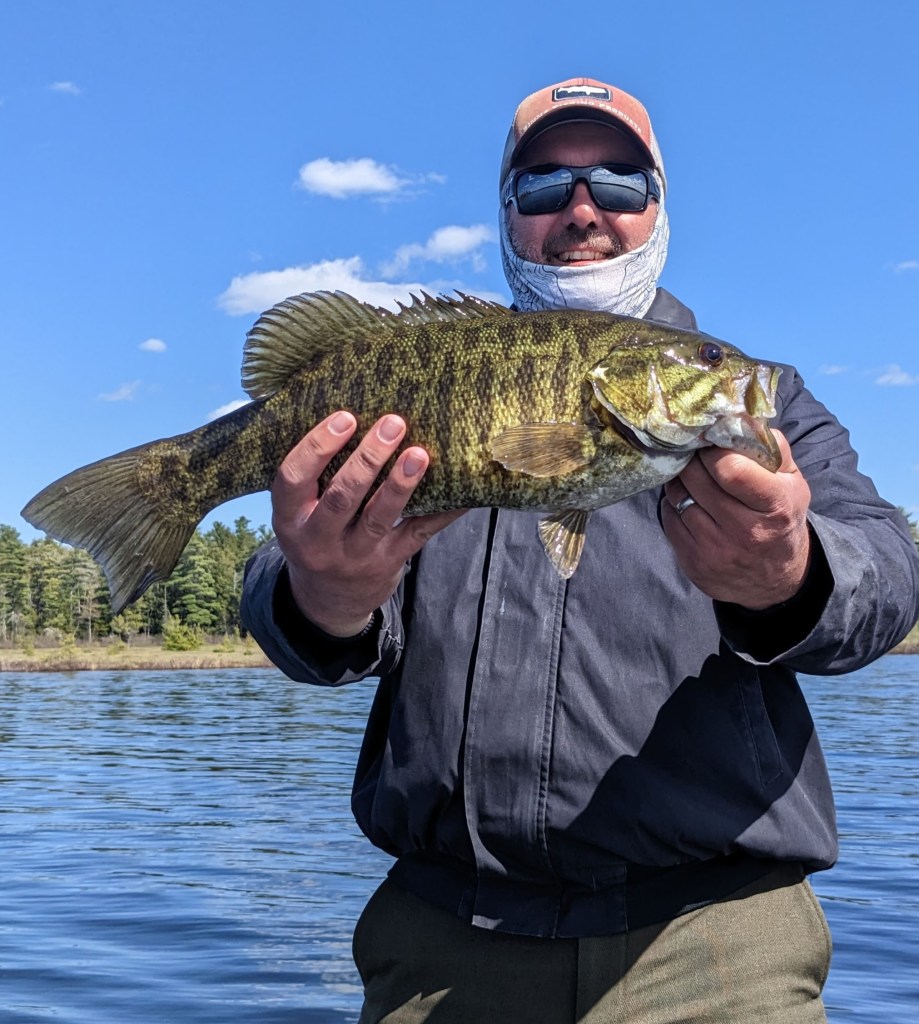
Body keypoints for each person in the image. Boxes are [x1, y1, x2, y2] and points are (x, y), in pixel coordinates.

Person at [241, 78, 919, 1023]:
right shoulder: (441, 372)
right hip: (440, 946)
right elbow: (279, 590)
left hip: (717, 945)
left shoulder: (764, 403)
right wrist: (319, 592)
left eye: (619, 181)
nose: (583, 210)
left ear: (658, 207)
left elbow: (887, 575)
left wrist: (793, 575)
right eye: (543, 187)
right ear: (508, 216)